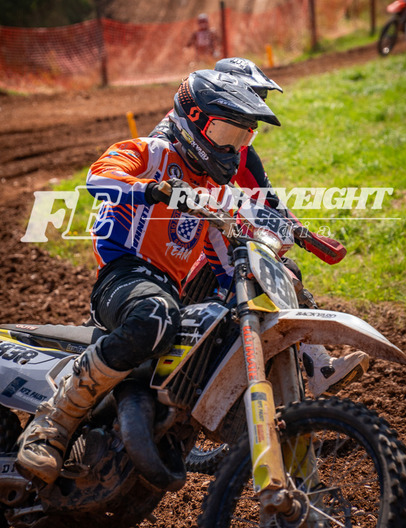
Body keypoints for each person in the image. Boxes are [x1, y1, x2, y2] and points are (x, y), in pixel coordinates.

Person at [16, 69, 284, 484]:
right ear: (193, 119)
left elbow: (228, 264)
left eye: (242, 139)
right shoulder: (151, 153)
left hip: (170, 291)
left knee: (227, 325)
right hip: (123, 277)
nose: (232, 149)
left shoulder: (214, 193)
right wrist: (152, 189)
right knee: (156, 314)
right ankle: (54, 422)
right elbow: (98, 178)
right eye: (225, 134)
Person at [150, 57, 369, 399]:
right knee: (260, 277)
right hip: (175, 254)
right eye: (251, 97)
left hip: (216, 239)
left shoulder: (235, 146)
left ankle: (314, 372)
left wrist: (303, 234)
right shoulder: (178, 137)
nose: (253, 111)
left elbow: (265, 197)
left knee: (282, 272)